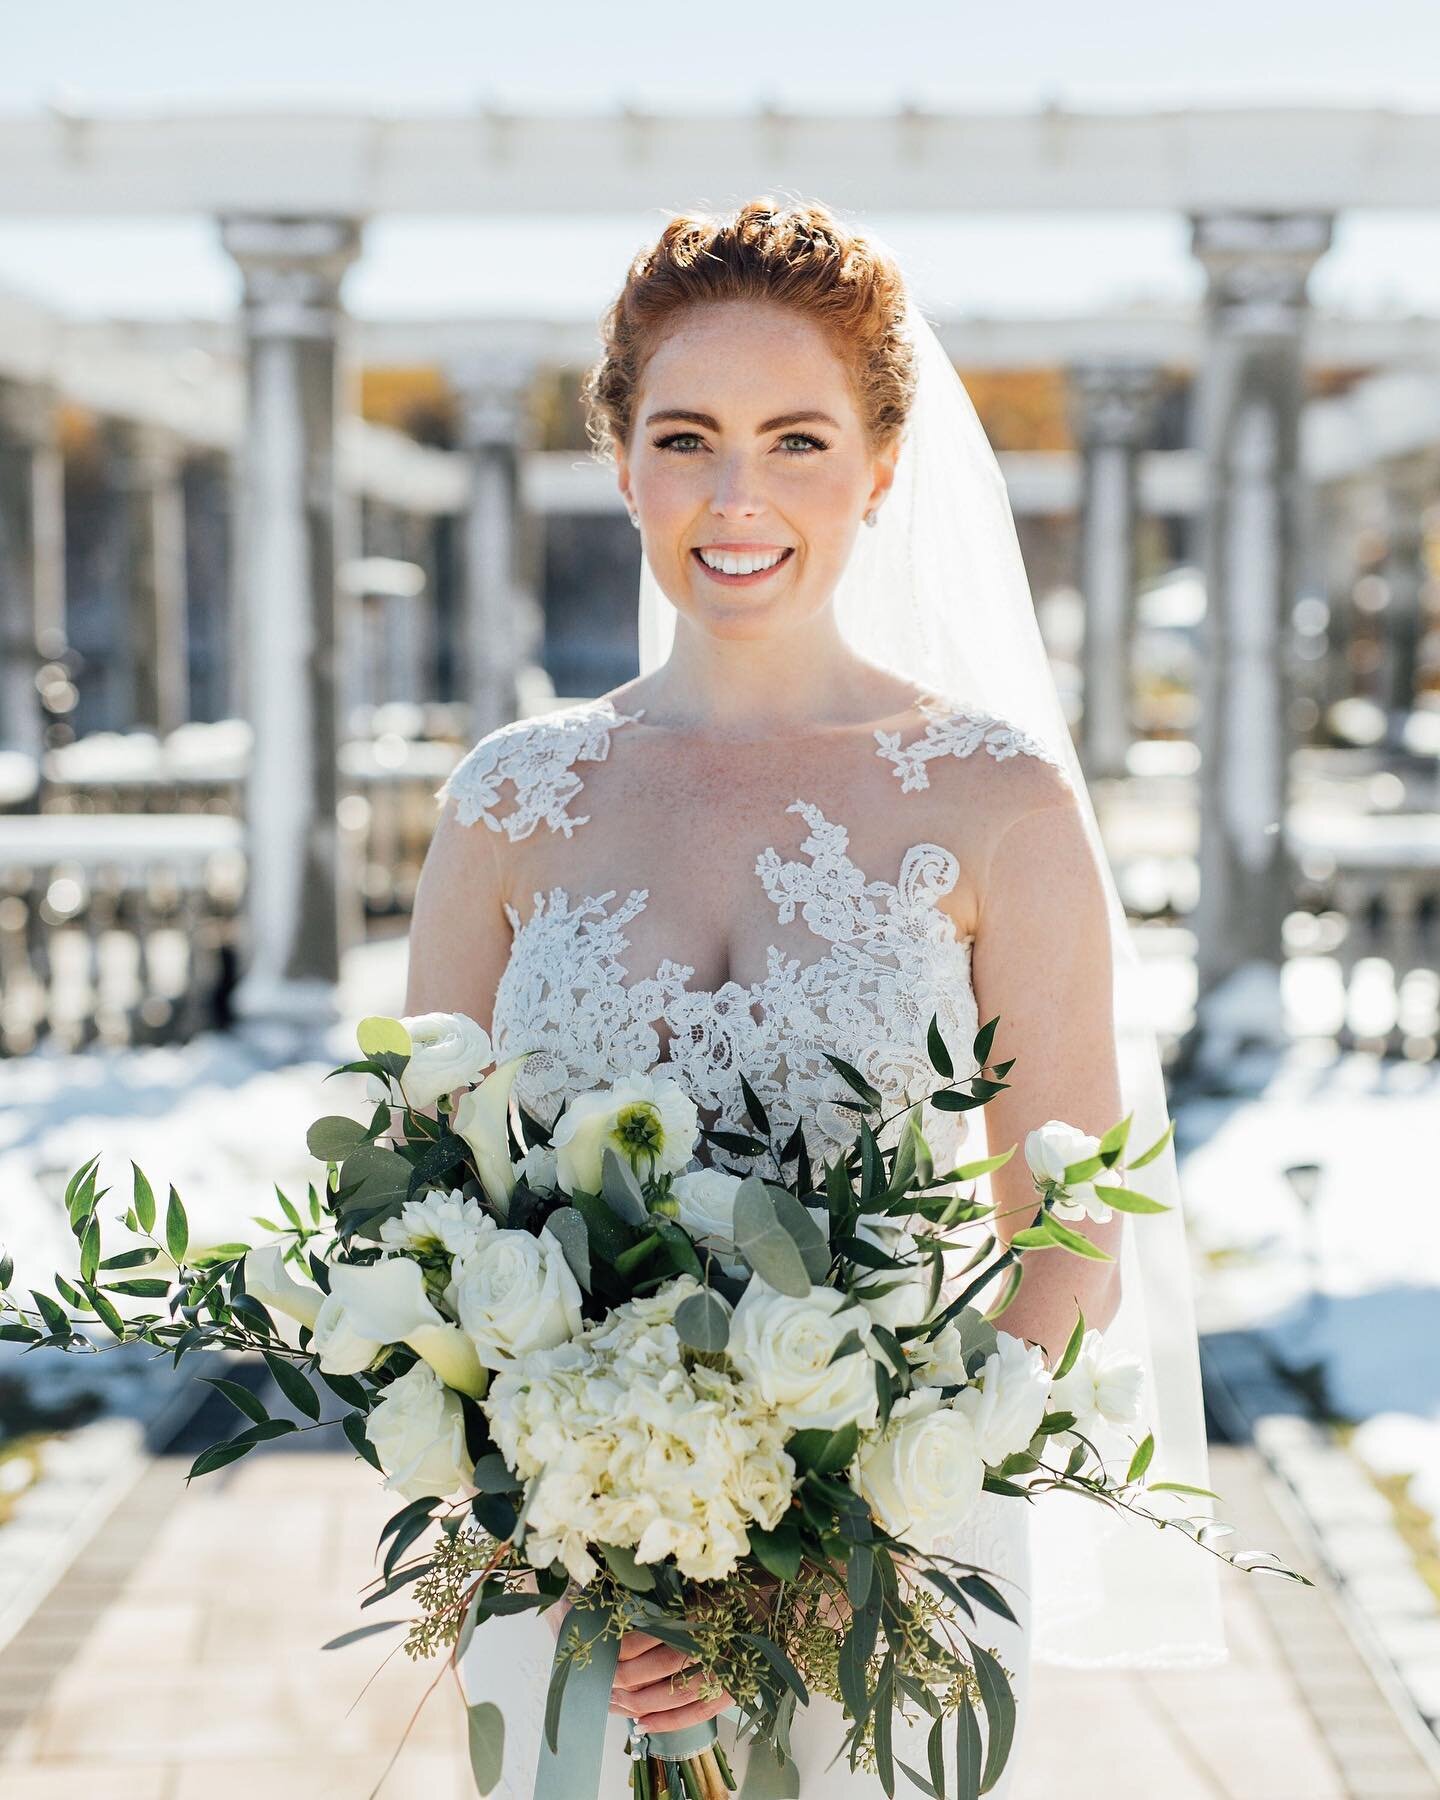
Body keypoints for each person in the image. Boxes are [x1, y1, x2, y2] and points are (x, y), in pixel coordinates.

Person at [404, 197, 1224, 1797]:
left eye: (796, 441)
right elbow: (431, 1219)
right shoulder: (509, 803)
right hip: (565, 1581)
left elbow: (1068, 1234)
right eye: (687, 437)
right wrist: (581, 1525)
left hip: (896, 1586)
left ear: (880, 468)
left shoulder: (997, 803)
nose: (736, 497)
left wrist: (876, 1527)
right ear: (621, 458)